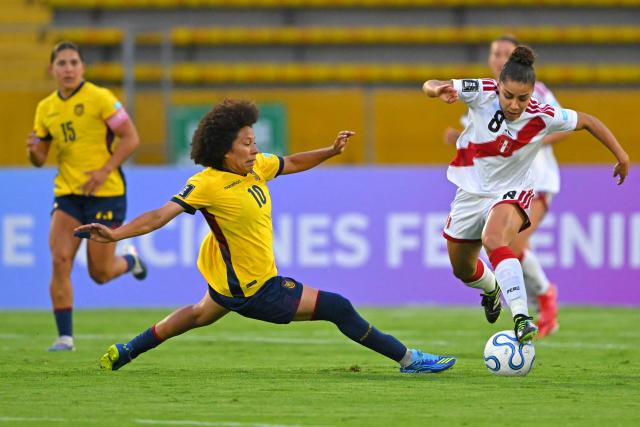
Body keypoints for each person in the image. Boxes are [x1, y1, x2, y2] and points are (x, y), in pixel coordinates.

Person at [74, 99, 456, 374]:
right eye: (247, 144)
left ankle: (127, 351)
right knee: (338, 307)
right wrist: (117, 234)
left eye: (255, 141)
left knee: (195, 315)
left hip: (228, 280)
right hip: (255, 289)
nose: (255, 149)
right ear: (224, 150)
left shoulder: (255, 169)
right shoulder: (207, 184)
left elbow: (291, 162)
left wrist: (330, 150)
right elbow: (161, 214)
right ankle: (409, 360)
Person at [423, 46, 629, 343]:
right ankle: (491, 288)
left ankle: (521, 317)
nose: (515, 105)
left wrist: (621, 154)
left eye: (523, 98)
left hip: (513, 188)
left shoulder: (542, 114)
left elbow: (587, 121)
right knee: (463, 270)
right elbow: (431, 84)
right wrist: (437, 90)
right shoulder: (482, 90)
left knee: (494, 239)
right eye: (508, 96)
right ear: (500, 88)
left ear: (532, 94)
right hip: (470, 191)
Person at [443, 35, 567, 337]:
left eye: (505, 54)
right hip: (490, 185)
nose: (499, 58)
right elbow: (481, 136)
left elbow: (564, 126)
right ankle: (519, 292)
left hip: (536, 181)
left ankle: (543, 297)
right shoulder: (486, 93)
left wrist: (527, 140)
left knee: (509, 244)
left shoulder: (536, 94)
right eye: (494, 53)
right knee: (482, 254)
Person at [28, 41, 147, 352]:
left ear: (82, 67)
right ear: (52, 69)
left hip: (106, 195)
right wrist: (34, 151)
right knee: (60, 259)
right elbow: (40, 158)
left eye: (73, 63)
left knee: (100, 273)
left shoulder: (101, 98)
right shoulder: (46, 108)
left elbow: (131, 138)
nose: (68, 69)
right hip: (68, 194)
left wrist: (105, 170)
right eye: (62, 63)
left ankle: (130, 261)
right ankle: (65, 337)